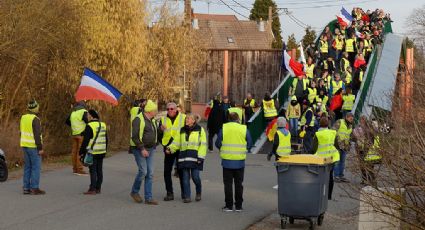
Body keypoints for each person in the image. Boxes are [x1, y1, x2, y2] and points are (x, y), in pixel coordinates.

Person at [215, 112, 252, 212]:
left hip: (227, 161)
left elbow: (217, 143)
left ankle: (229, 206)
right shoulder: (244, 128)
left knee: (228, 184)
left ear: (228, 119)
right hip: (239, 161)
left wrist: (222, 148)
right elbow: (250, 143)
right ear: (238, 119)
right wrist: (244, 150)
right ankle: (239, 206)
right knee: (239, 184)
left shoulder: (224, 128)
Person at [167, 114, 207, 203]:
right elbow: (176, 142)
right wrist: (170, 148)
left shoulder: (200, 130)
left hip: (195, 158)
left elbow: (203, 145)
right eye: (186, 118)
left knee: (195, 177)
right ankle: (187, 196)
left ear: (194, 120)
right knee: (185, 178)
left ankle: (198, 192)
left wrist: (200, 157)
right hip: (183, 158)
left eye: (189, 118)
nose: (187, 120)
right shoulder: (181, 130)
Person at [130, 100, 159, 205]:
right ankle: (134, 192)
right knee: (143, 171)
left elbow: (154, 133)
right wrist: (142, 149)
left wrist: (161, 130)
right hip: (139, 149)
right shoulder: (138, 119)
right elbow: (135, 136)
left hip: (151, 149)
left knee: (150, 173)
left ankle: (149, 198)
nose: (156, 111)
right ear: (150, 111)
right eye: (155, 110)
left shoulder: (153, 120)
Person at [158, 102, 186, 201]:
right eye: (168, 109)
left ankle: (184, 193)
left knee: (181, 171)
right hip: (168, 148)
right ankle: (169, 193)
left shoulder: (183, 117)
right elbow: (159, 134)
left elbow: (189, 129)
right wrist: (161, 131)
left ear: (176, 109)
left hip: (180, 147)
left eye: (172, 109)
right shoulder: (163, 119)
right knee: (167, 171)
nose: (170, 110)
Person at [79, 109, 108, 195]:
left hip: (92, 152)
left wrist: (81, 152)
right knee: (99, 170)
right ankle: (98, 188)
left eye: (88, 115)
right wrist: (105, 150)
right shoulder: (103, 125)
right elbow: (106, 139)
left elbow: (85, 141)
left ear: (91, 116)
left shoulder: (89, 126)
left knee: (92, 170)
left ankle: (92, 189)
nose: (87, 117)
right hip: (102, 151)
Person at [20, 100, 45, 195]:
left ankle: (26, 188)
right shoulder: (35, 119)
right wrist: (40, 148)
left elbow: (21, 132)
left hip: (25, 145)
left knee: (27, 167)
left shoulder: (23, 117)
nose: (38, 108)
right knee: (36, 167)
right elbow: (37, 135)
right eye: (37, 107)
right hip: (33, 147)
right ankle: (34, 188)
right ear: (35, 108)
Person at [311, 117, 339, 200]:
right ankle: (329, 196)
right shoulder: (333, 133)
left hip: (320, 159)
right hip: (330, 158)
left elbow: (314, 148)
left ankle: (319, 194)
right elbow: (336, 145)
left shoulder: (318, 134)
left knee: (319, 176)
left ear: (320, 124)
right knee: (330, 176)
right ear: (328, 124)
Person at [66, 101, 88, 175]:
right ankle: (80, 169)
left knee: (74, 152)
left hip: (74, 134)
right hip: (81, 134)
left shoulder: (73, 112)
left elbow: (67, 121)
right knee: (80, 152)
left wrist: (74, 125)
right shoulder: (83, 112)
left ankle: (75, 168)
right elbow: (88, 121)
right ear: (83, 106)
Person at [333, 113, 354, 183]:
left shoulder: (350, 126)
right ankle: (336, 176)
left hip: (345, 146)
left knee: (342, 162)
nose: (351, 120)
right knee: (337, 161)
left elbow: (350, 136)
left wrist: (349, 144)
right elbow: (333, 131)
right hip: (338, 145)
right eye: (350, 119)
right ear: (346, 117)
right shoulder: (340, 122)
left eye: (352, 119)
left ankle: (341, 176)